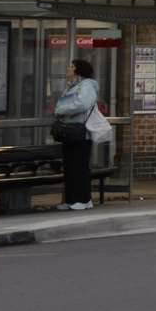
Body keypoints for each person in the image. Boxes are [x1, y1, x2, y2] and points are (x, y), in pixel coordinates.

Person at [53, 59, 99, 211]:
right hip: (70, 131)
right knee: (70, 166)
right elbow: (61, 103)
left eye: (71, 66)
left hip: (81, 132)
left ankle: (84, 199)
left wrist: (62, 110)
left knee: (80, 167)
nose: (68, 68)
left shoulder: (86, 85)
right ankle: (72, 199)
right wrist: (61, 108)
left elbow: (82, 104)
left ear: (78, 70)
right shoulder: (72, 86)